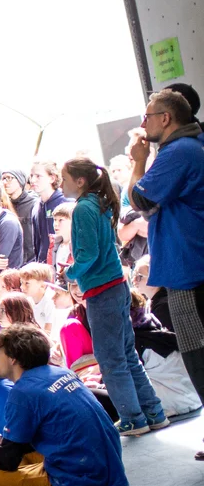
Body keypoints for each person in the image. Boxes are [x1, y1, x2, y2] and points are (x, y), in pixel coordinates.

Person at [0, 324, 128, 486]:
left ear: (13, 359)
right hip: (108, 471)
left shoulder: (22, 392)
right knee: (18, 459)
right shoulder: (62, 372)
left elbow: (7, 460)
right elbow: (20, 445)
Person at [64, 157, 166, 435]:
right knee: (126, 355)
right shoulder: (98, 202)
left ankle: (133, 418)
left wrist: (70, 273)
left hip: (102, 290)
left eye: (64, 178)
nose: (61, 184)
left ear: (80, 181)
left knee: (111, 359)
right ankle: (153, 412)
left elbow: (88, 255)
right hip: (116, 286)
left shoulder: (83, 207)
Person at [129, 87, 204, 405]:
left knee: (198, 352)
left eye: (147, 116)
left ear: (166, 117)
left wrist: (138, 162)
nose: (143, 124)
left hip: (189, 269)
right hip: (189, 263)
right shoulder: (190, 145)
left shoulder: (179, 151)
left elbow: (140, 199)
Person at [30, 160, 71, 269]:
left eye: (38, 176)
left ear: (52, 178)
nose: (33, 180)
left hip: (64, 267)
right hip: (43, 268)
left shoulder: (66, 202)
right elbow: (37, 243)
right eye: (31, 176)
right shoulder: (36, 206)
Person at [2, 168, 39, 265]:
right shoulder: (4, 205)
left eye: (9, 178)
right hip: (11, 263)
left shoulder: (34, 204)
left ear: (20, 180)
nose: (5, 182)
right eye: (3, 179)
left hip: (32, 262)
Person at [18, 262, 58, 335]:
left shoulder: (51, 301)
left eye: (27, 283)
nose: (22, 287)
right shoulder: (29, 299)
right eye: (21, 282)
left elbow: (48, 331)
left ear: (42, 286)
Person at [48, 202, 76, 281]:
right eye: (55, 220)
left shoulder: (78, 244)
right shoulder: (54, 244)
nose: (56, 224)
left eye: (61, 220)